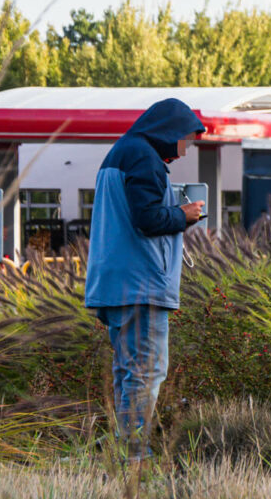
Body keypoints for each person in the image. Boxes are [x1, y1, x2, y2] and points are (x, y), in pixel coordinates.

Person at [84, 98, 206, 460]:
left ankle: (126, 449)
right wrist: (183, 215)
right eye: (186, 140)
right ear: (169, 132)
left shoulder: (121, 153)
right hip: (141, 285)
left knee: (127, 371)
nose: (184, 151)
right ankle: (135, 454)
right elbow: (148, 219)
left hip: (115, 284)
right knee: (146, 371)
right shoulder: (144, 157)